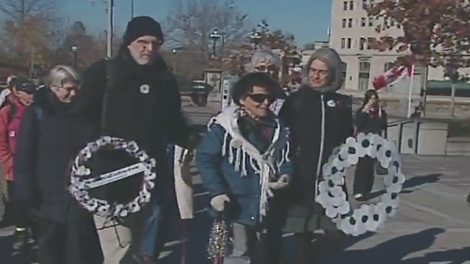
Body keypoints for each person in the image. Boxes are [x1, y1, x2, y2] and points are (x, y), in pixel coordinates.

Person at [71, 16, 196, 264]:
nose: (149, 49)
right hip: (106, 175)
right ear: (129, 42)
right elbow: (79, 118)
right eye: (142, 42)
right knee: (120, 248)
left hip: (146, 178)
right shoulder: (104, 73)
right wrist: (91, 152)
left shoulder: (164, 80)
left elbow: (172, 122)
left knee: (139, 247)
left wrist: (192, 139)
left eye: (155, 43)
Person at [196, 72, 293, 264]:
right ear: (242, 99)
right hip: (235, 202)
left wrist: (285, 175)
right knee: (239, 254)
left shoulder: (277, 127)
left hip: (265, 203)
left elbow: (284, 157)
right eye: (258, 98)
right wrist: (217, 192)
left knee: (260, 252)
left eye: (270, 98)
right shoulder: (226, 126)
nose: (265, 102)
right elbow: (205, 157)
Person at [13, 65, 102, 264]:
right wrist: (25, 193)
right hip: (47, 197)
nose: (73, 93)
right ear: (54, 87)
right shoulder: (38, 113)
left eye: (76, 87)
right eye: (67, 89)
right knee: (50, 250)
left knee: (80, 250)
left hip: (80, 195)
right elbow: (24, 155)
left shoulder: (85, 113)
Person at [278, 48, 353, 264]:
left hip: (331, 179)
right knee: (302, 232)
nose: (316, 76)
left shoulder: (341, 103)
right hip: (301, 176)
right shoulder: (296, 101)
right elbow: (282, 135)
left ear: (333, 74)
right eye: (313, 70)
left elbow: (346, 137)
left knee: (338, 230)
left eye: (322, 71)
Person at [0, 77, 36, 252]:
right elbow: (1, 142)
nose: (31, 96)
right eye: (28, 93)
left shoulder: (39, 111)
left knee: (36, 203)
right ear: (18, 93)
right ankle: (21, 234)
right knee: (18, 204)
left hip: (36, 167)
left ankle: (37, 232)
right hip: (15, 169)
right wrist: (9, 162)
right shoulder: (7, 112)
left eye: (33, 92)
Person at [353, 89, 388, 201]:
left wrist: (379, 114)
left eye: (375, 98)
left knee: (370, 167)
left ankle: (366, 190)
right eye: (371, 98)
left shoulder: (380, 112)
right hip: (363, 142)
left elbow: (383, 125)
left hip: (375, 142)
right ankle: (358, 190)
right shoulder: (362, 112)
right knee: (362, 166)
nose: (373, 101)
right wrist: (365, 110)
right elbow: (359, 123)